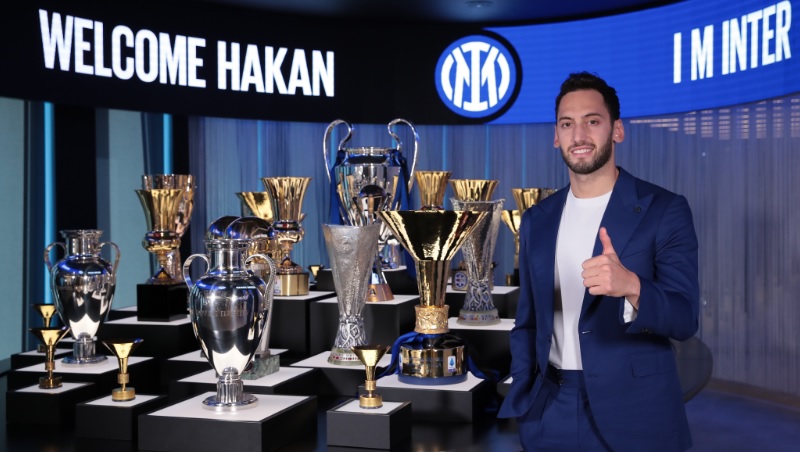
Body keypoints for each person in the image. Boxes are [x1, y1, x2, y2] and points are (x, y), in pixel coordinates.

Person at [498, 71, 699, 451]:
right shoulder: (538, 219)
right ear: (555, 136)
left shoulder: (664, 210)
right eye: (567, 124)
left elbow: (685, 318)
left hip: (635, 415)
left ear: (616, 130)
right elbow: (528, 322)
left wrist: (632, 286)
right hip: (549, 412)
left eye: (592, 121)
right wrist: (526, 392)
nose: (579, 135)